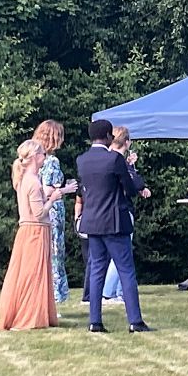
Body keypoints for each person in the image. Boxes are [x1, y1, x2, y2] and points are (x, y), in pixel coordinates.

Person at [76, 119, 151, 333]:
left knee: (97, 270)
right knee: (126, 270)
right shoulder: (114, 159)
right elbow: (128, 187)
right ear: (109, 136)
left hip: (92, 222)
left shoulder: (82, 160)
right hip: (115, 221)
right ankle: (135, 321)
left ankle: (95, 321)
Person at [0, 140, 77, 330]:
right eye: (42, 154)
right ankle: (28, 317)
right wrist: (54, 198)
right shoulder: (32, 182)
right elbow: (40, 212)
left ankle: (33, 315)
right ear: (34, 157)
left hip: (31, 230)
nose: (44, 157)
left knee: (29, 274)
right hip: (36, 231)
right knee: (33, 275)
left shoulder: (25, 179)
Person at [100, 126, 151, 305]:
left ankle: (119, 292)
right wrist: (131, 168)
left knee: (115, 254)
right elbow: (133, 184)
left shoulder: (105, 159)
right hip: (122, 210)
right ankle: (108, 292)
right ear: (127, 142)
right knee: (122, 253)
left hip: (105, 210)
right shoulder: (119, 161)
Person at [32, 119, 71, 306]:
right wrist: (66, 189)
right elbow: (49, 190)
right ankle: (53, 299)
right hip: (52, 210)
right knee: (55, 254)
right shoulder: (52, 161)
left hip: (38, 210)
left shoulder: (33, 159)